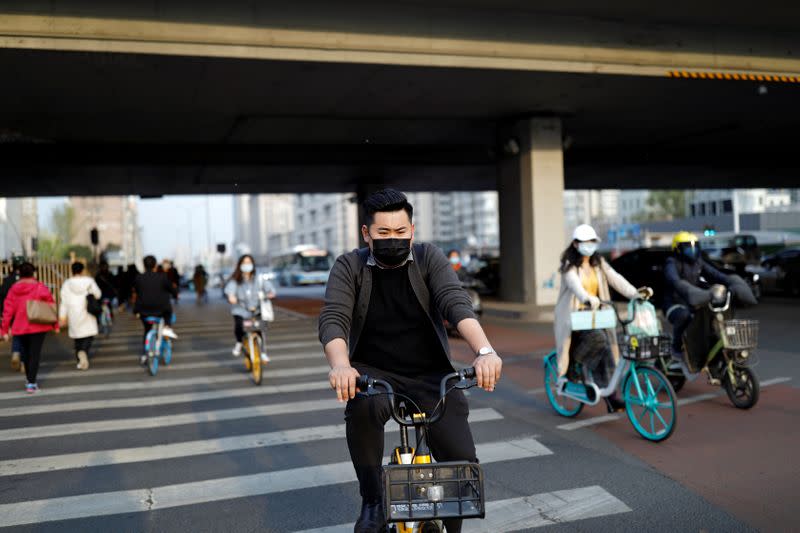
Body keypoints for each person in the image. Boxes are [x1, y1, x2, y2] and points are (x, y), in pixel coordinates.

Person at [318, 189, 502, 533]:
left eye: (401, 232)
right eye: (383, 233)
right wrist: (341, 365)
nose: (393, 240)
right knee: (364, 407)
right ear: (367, 233)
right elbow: (334, 319)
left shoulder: (429, 257)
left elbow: (455, 302)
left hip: (430, 374)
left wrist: (485, 351)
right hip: (373, 373)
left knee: (460, 468)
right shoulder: (349, 266)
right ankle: (372, 500)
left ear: (412, 231)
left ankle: (453, 523)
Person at [554, 224, 651, 412]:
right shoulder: (569, 266)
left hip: (597, 315)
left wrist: (635, 293)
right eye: (584, 242)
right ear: (575, 244)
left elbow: (616, 278)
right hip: (575, 317)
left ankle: (610, 394)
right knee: (599, 339)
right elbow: (574, 285)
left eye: (592, 241)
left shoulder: (598, 263)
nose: (588, 245)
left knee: (606, 350)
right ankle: (574, 365)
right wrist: (586, 298)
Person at [663, 231, 732, 363]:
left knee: (713, 317)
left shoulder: (698, 262)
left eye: (694, 246)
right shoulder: (671, 262)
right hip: (673, 304)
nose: (692, 250)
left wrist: (731, 282)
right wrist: (686, 289)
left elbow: (715, 274)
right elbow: (674, 280)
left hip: (694, 303)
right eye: (687, 247)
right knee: (684, 316)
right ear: (677, 249)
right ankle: (676, 349)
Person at [0, 262, 58, 393]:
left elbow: (7, 310)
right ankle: (31, 382)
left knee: (25, 354)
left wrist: (4, 329)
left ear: (19, 273)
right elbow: (50, 305)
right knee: (35, 354)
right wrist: (55, 324)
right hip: (38, 326)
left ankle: (29, 380)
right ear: (33, 273)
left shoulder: (14, 289)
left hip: (20, 326)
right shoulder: (40, 287)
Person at [225, 255, 276, 361]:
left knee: (260, 329)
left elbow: (270, 288)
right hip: (240, 308)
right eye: (244, 263)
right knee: (239, 326)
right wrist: (231, 297)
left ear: (252, 264)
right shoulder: (235, 279)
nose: (247, 265)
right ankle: (239, 342)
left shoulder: (259, 277)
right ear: (240, 265)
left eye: (249, 262)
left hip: (257, 308)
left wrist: (270, 293)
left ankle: (262, 352)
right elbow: (230, 290)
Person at [133, 255, 178, 365]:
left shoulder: (138, 278)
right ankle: (167, 327)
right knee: (168, 311)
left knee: (147, 329)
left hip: (143, 310)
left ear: (144, 265)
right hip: (161, 310)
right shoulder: (162, 277)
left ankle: (145, 353)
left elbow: (137, 291)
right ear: (155, 265)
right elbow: (172, 290)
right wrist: (175, 294)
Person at [59, 262, 102, 370]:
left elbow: (63, 301)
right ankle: (84, 352)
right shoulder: (89, 281)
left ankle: (80, 358)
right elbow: (98, 294)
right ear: (82, 270)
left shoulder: (67, 284)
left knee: (77, 337)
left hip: (73, 312)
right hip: (87, 311)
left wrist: (62, 316)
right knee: (89, 335)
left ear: (72, 270)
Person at [0, 257, 23, 370]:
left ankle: (15, 352)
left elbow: (2, 297)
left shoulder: (7, 280)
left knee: (17, 333)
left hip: (12, 312)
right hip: (26, 312)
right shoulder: (28, 280)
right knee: (27, 336)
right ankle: (24, 360)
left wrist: (3, 313)